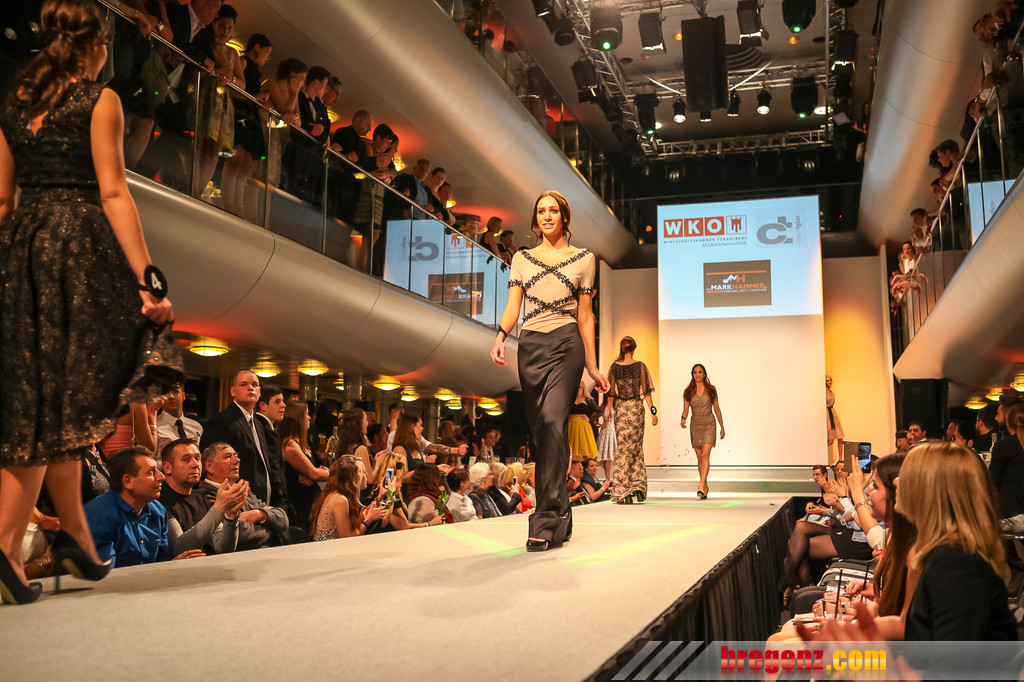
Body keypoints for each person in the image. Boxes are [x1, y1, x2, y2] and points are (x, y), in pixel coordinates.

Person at [0, 0, 182, 605]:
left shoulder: (14, 103)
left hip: (20, 255)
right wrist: (148, 279)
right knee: (56, 405)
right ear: (94, 46)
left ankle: (76, 538)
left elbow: (2, 201)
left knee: (53, 400)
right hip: (76, 254)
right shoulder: (99, 100)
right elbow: (113, 193)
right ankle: (6, 547)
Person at [491, 190, 608, 552]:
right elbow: (514, 306)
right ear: (535, 218)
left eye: (553, 210)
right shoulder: (522, 258)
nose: (546, 216)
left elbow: (585, 316)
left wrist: (591, 365)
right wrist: (501, 335)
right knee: (543, 434)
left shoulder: (584, 258)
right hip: (530, 347)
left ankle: (544, 519)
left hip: (566, 344)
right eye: (541, 211)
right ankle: (562, 514)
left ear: (564, 217)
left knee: (553, 421)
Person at [896, 441, 1016, 640]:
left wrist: (869, 651)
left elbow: (949, 660)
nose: (896, 481)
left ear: (930, 492)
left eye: (906, 475)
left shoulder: (954, 565)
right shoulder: (944, 554)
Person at [84, 447, 202, 568]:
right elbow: (107, 574)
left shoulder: (158, 511)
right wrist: (166, 568)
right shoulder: (99, 515)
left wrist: (173, 565)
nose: (161, 476)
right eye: (151, 472)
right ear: (128, 481)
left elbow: (161, 561)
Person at [221, 32, 272, 222]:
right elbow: (234, 88)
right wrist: (255, 97)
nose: (268, 57)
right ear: (257, 47)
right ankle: (229, 203)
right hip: (241, 113)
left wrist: (260, 100)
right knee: (237, 159)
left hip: (250, 115)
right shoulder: (242, 62)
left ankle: (236, 204)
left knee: (245, 163)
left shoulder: (254, 70)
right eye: (267, 52)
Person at [605, 336, 656, 504]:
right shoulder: (640, 366)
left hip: (621, 408)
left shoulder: (614, 367)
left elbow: (611, 393)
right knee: (636, 447)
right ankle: (637, 486)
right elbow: (646, 392)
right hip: (636, 408)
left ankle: (623, 490)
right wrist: (653, 411)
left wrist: (609, 410)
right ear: (634, 348)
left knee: (624, 448)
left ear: (622, 348)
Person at [276, 402, 329, 534]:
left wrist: (318, 473)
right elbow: (315, 474)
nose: (309, 418)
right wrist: (329, 472)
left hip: (310, 501)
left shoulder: (303, 443)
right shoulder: (290, 444)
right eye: (306, 414)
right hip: (299, 504)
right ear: (298, 417)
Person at [310, 456, 386, 541]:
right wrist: (368, 519)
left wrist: (361, 519)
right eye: (363, 472)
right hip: (328, 548)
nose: (367, 475)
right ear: (353, 478)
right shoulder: (340, 500)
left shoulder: (341, 495)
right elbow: (347, 539)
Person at [680, 363, 724, 500]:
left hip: (709, 424)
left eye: (700, 372)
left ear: (704, 374)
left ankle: (700, 485)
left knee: (705, 455)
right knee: (700, 457)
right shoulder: (688, 391)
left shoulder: (711, 390)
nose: (697, 374)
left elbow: (717, 408)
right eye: (695, 372)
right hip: (696, 426)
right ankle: (704, 486)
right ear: (692, 375)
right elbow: (686, 410)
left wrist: (722, 427)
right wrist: (683, 419)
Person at [156, 384, 203, 457]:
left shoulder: (196, 427)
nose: (171, 396)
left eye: (175, 391)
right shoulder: (154, 426)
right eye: (165, 392)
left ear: (183, 396)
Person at [568, 382, 599, 460]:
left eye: (580, 387)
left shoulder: (588, 400)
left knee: (586, 452)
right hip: (571, 427)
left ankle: (586, 467)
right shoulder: (569, 399)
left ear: (583, 388)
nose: (578, 389)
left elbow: (600, 411)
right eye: (576, 387)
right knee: (571, 453)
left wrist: (590, 419)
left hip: (583, 427)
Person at [825, 374, 844, 463]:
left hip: (832, 413)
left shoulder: (831, 392)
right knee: (830, 441)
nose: (830, 382)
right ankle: (819, 452)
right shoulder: (823, 392)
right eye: (827, 380)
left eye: (830, 380)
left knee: (840, 437)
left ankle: (840, 459)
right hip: (827, 414)